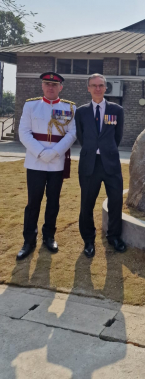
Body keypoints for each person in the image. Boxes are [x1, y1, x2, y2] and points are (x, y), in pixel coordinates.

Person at [17, 72, 76, 260]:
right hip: (35, 161)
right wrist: (42, 153)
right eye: (47, 84)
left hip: (56, 163)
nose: (50, 87)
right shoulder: (31, 105)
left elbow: (72, 134)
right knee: (33, 202)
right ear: (42, 86)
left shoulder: (69, 107)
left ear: (61, 87)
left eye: (54, 84)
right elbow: (24, 133)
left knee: (53, 202)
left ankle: (49, 236)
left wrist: (55, 152)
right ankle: (29, 240)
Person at [75, 73, 126, 258]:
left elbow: (117, 136)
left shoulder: (117, 110)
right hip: (90, 164)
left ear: (106, 88)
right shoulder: (81, 112)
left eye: (101, 85)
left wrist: (106, 149)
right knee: (86, 204)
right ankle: (88, 240)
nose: (98, 88)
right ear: (88, 88)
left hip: (111, 163)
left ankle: (113, 237)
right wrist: (93, 149)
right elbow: (81, 136)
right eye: (94, 85)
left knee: (116, 202)